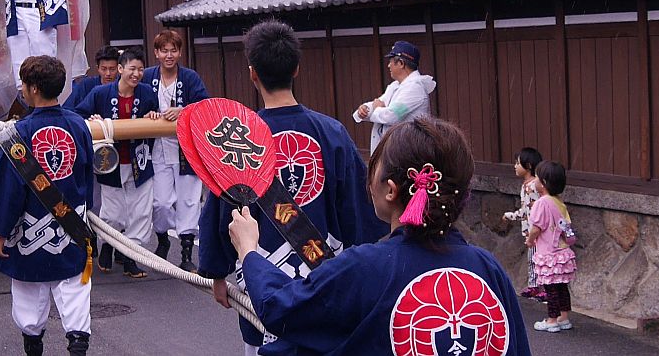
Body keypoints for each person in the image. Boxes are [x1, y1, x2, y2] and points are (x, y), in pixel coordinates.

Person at [227, 117, 531, 355]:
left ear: (390, 190)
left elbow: (280, 307)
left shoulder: (365, 268)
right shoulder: (488, 269)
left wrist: (250, 251)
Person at [198, 20, 387, 355]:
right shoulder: (332, 133)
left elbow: (221, 211)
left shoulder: (237, 142)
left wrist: (217, 272)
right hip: (327, 280)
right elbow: (357, 208)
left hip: (262, 280)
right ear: (297, 69)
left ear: (252, 73)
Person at [0, 55, 95, 356]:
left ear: (34, 88)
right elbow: (86, 177)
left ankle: (34, 345)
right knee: (74, 289)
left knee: (30, 296)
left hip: (30, 230)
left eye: (24, 84)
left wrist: (1, 231)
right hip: (71, 227)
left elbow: (8, 189)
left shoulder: (18, 134)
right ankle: (78, 344)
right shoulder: (79, 125)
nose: (22, 90)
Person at [74, 47, 160, 279]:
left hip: (139, 160)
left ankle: (131, 256)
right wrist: (92, 120)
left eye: (140, 69)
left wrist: (153, 116)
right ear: (121, 69)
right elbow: (78, 115)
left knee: (141, 211)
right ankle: (108, 245)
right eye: (132, 68)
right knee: (113, 213)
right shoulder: (100, 93)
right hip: (109, 161)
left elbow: (157, 114)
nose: (136, 74)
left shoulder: (147, 93)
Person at [142, 30, 209, 271]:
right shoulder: (147, 76)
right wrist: (148, 113)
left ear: (180, 53)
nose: (169, 55)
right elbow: (137, 101)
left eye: (173, 50)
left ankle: (186, 252)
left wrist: (183, 110)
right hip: (158, 147)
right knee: (160, 202)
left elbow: (204, 104)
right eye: (164, 51)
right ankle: (162, 239)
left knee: (189, 200)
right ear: (156, 53)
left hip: (185, 149)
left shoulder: (189, 78)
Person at [353, 40, 436, 154]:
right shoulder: (395, 86)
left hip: (409, 152)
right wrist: (364, 109)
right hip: (395, 151)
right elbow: (379, 102)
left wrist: (377, 108)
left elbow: (392, 115)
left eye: (391, 61)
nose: (388, 66)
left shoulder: (415, 89)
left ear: (401, 63)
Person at [527, 160, 577, 333]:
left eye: (536, 177)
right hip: (562, 252)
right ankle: (564, 317)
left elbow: (536, 228)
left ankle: (551, 320)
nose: (534, 180)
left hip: (548, 253)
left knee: (551, 289)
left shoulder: (541, 203)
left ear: (544, 183)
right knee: (562, 287)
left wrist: (530, 240)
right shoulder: (559, 203)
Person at [503, 146, 545, 300]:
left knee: (541, 260)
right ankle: (534, 286)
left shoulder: (535, 185)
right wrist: (511, 215)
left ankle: (544, 287)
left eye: (517, 163)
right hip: (530, 231)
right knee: (532, 259)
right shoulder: (526, 185)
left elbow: (535, 210)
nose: (515, 166)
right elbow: (525, 211)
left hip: (538, 231)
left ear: (528, 166)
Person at [62, 45, 120, 111]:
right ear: (98, 68)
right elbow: (67, 109)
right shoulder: (86, 85)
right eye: (104, 69)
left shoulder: (122, 86)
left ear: (119, 68)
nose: (108, 73)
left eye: (112, 69)